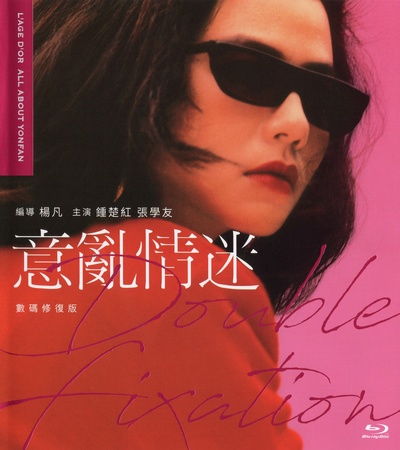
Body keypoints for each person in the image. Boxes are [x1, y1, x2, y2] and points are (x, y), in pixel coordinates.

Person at [0, 0, 369, 448]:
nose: (297, 126)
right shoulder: (167, 279)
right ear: (137, 67)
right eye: (248, 73)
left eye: (322, 98)